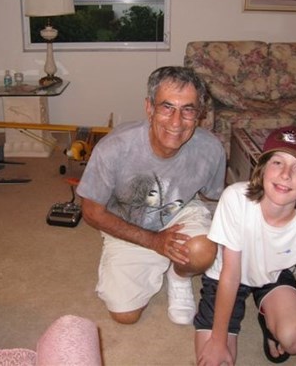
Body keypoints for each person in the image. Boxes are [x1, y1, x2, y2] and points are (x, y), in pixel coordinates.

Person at [76, 66, 226, 325]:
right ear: (149, 108)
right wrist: (154, 241)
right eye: (167, 107)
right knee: (125, 315)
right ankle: (157, 255)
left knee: (203, 251)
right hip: (129, 221)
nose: (177, 122)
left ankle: (179, 277)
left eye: (187, 109)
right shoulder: (114, 148)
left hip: (180, 211)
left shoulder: (211, 149)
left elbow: (216, 198)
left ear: (199, 114)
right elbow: (91, 212)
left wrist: (226, 242)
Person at [194, 126, 296, 365]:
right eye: (277, 162)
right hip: (227, 275)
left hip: (272, 275)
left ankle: (268, 315)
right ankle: (231, 326)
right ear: (262, 169)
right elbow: (230, 273)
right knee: (215, 361)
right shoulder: (235, 199)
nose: (286, 174)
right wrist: (218, 341)